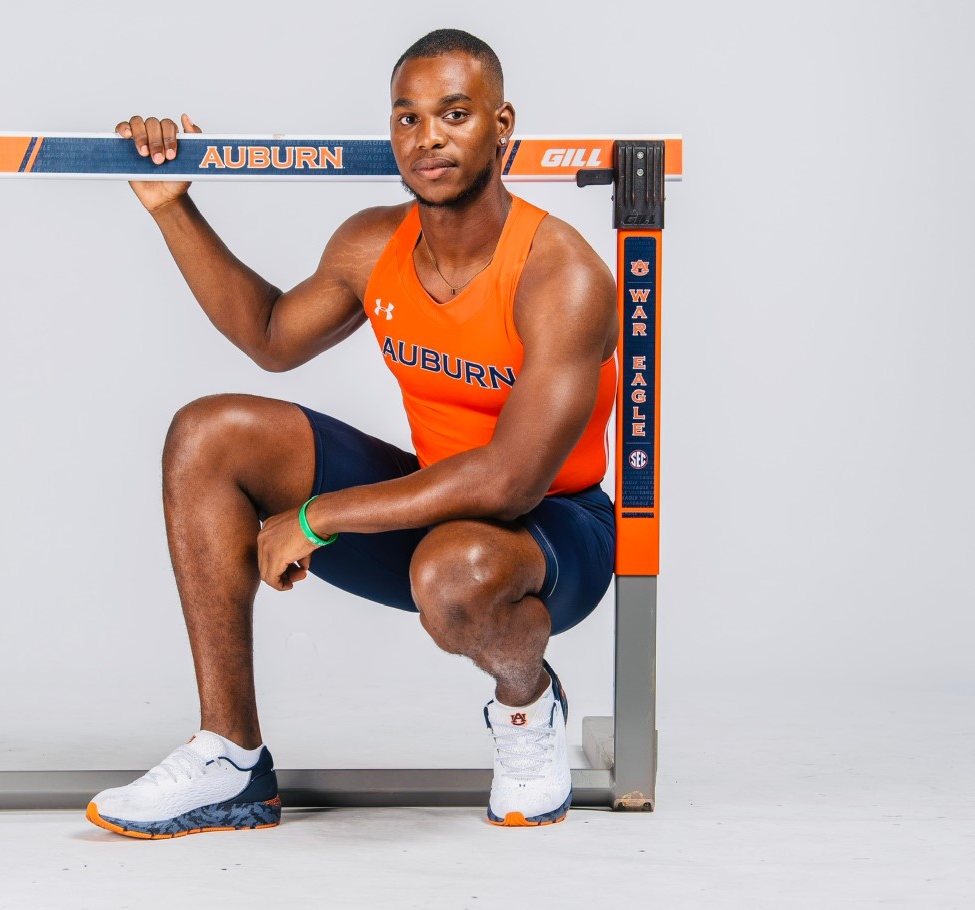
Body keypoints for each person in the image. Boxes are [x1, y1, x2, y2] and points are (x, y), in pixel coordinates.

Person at [86, 28, 618, 838]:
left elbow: (511, 481)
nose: (428, 137)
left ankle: (527, 707)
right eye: (407, 118)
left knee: (457, 567)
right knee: (208, 434)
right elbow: (270, 334)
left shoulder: (562, 274)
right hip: (437, 506)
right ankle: (230, 757)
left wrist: (315, 517)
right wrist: (173, 206)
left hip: (553, 531)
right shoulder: (374, 245)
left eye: (455, 113)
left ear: (503, 126)